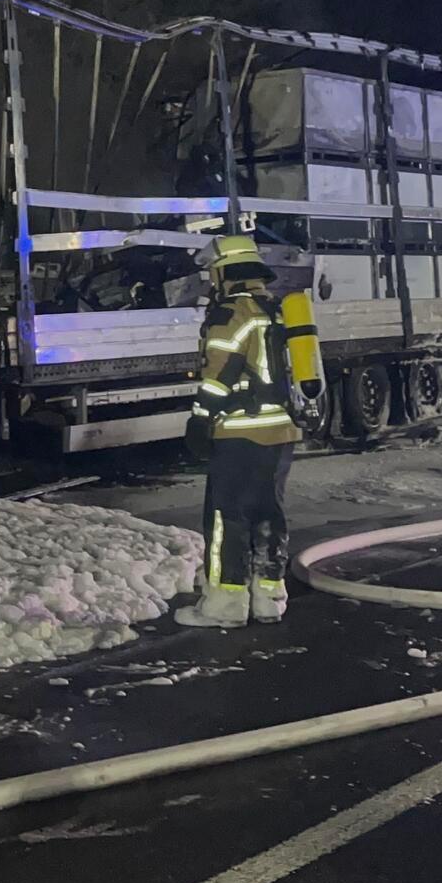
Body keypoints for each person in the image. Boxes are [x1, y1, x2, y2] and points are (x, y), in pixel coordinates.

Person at [177, 235, 300, 628]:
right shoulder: (277, 310)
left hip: (240, 431)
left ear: (224, 272)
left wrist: (200, 418)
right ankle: (268, 599)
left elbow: (220, 373)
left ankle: (224, 606)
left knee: (226, 517)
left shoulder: (232, 313)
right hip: (281, 430)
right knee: (269, 513)